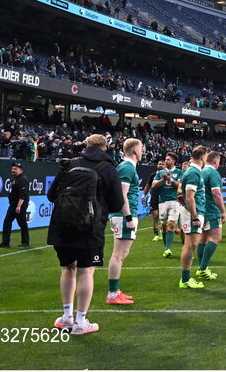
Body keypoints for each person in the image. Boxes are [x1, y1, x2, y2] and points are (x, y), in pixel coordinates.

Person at [46, 134, 124, 335]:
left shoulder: (70, 164)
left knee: (67, 269)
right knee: (86, 271)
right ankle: (80, 321)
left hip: (63, 225)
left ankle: (66, 317)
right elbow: (117, 203)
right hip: (91, 229)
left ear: (86, 145)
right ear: (105, 148)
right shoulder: (108, 168)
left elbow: (51, 195)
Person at [105, 138, 142, 305]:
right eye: (141, 148)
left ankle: (115, 291)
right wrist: (128, 217)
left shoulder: (127, 167)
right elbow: (122, 195)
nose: (143, 151)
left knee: (120, 254)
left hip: (123, 214)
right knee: (119, 255)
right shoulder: (127, 167)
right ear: (134, 150)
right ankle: (112, 293)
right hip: (123, 215)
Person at [178, 146, 208, 289]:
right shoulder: (193, 173)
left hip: (195, 213)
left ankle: (186, 278)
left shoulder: (195, 172)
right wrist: (195, 217)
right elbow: (189, 198)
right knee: (190, 246)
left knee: (191, 245)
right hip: (191, 214)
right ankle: (185, 279)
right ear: (202, 157)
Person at [196, 151, 226, 282]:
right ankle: (202, 269)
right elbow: (216, 193)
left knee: (203, 239)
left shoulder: (201, 171)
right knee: (215, 237)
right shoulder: (213, 172)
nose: (219, 163)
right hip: (211, 210)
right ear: (215, 160)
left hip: (202, 209)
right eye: (219, 160)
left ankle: (201, 268)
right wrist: (223, 211)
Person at [154, 152, 183, 258]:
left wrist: (170, 179)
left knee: (171, 224)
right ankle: (166, 247)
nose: (166, 161)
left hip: (174, 201)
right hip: (162, 201)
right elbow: (154, 186)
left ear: (174, 161)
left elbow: (180, 186)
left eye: (168, 159)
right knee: (164, 226)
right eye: (165, 159)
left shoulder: (179, 172)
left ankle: (168, 249)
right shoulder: (160, 173)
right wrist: (163, 179)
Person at [0, 162, 30, 248]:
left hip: (19, 206)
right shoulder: (15, 179)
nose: (13, 170)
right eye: (12, 169)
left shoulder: (23, 179)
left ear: (21, 170)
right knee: (7, 222)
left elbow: (23, 194)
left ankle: (25, 242)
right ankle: (5, 243)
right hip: (12, 205)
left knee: (22, 223)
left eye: (15, 169)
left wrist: (19, 206)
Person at [144, 160, 163, 241]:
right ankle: (156, 234)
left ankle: (163, 233)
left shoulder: (167, 175)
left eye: (162, 164)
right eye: (159, 164)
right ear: (157, 165)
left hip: (163, 197)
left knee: (163, 218)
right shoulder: (153, 175)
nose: (161, 165)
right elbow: (148, 185)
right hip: (154, 197)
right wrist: (143, 196)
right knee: (155, 216)